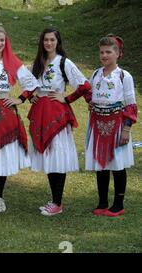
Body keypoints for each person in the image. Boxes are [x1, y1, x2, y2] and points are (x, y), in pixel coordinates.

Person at [21, 27, 91, 216]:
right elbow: (30, 84)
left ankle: (58, 203)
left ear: (57, 42)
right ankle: (54, 200)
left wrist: (66, 98)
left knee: (56, 157)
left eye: (52, 40)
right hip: (41, 113)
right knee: (49, 158)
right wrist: (30, 97)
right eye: (46, 40)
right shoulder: (39, 62)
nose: (49, 43)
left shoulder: (64, 62)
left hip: (57, 114)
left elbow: (84, 85)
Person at [0, 25, 39, 215]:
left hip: (5, 113)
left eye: (2, 40)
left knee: (2, 154)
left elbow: (31, 83)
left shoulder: (12, 61)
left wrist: (19, 99)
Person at [86, 35, 136, 217]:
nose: (104, 55)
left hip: (117, 125)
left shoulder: (124, 76)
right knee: (102, 164)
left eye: (108, 52)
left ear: (118, 54)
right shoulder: (96, 74)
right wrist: (91, 103)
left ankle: (118, 204)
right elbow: (91, 94)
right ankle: (102, 202)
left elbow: (130, 104)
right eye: (101, 52)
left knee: (117, 164)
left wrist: (126, 128)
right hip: (98, 124)